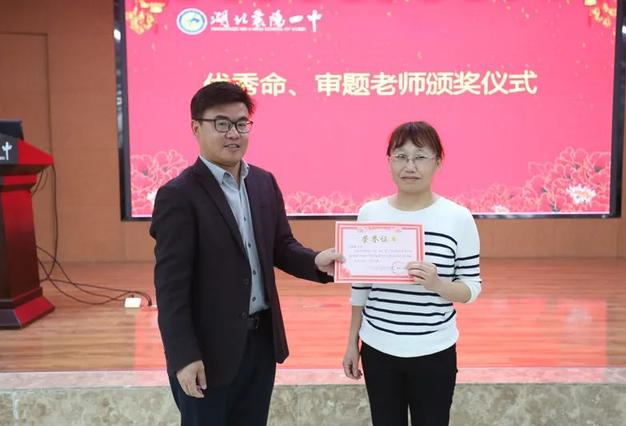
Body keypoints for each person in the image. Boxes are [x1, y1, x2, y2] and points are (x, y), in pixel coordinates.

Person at [150, 81, 341, 426]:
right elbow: (170, 289)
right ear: (196, 128)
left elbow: (281, 246)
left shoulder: (263, 182)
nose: (233, 133)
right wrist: (183, 356)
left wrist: (315, 261)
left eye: (241, 124)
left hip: (260, 344)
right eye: (221, 123)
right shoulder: (178, 195)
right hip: (207, 353)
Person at [342, 121, 482, 426]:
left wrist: (438, 284)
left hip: (435, 350)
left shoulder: (458, 218)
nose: (410, 166)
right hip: (378, 348)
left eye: (420, 157)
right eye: (400, 156)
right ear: (389, 161)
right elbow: (360, 287)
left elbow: (471, 287)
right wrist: (352, 342)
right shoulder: (370, 213)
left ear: (438, 162)